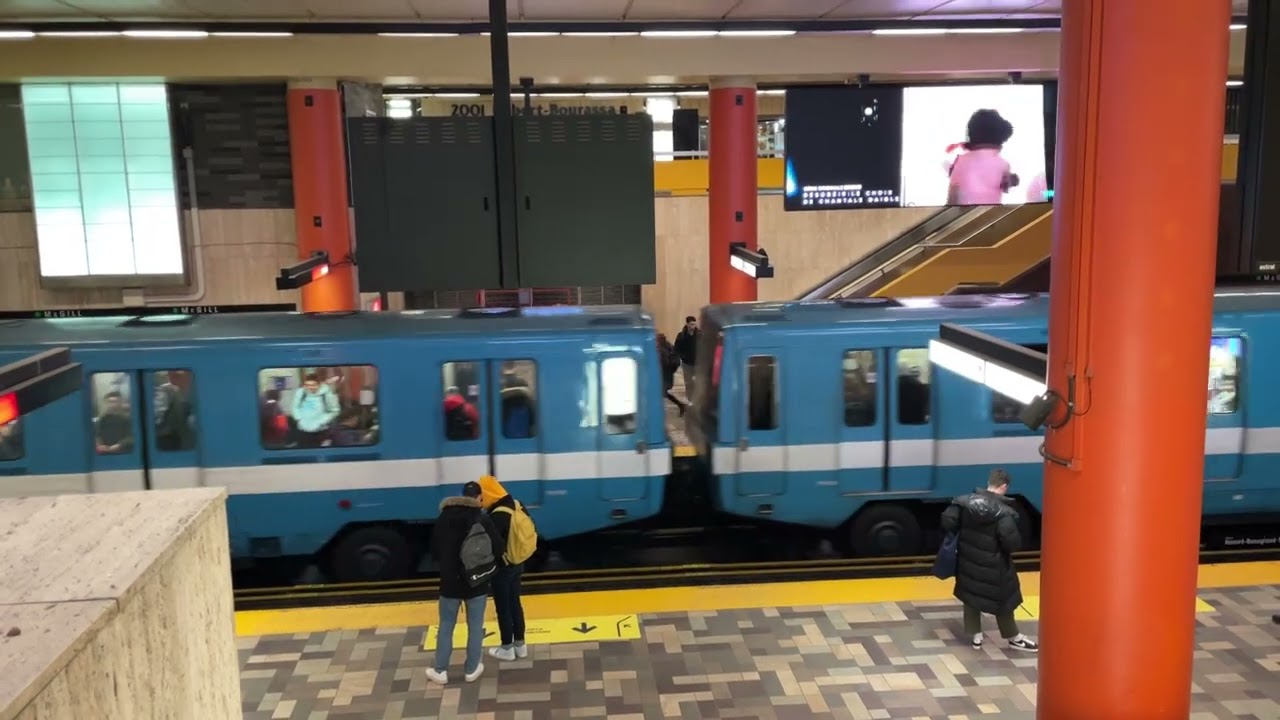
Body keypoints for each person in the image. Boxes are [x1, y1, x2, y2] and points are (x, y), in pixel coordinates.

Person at [940, 468, 1038, 652]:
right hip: (995, 565)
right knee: (1005, 598)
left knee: (970, 593)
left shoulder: (964, 502)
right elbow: (1012, 543)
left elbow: (948, 522)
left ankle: (976, 636)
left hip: (968, 559)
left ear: (989, 482)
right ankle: (1012, 636)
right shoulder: (1004, 513)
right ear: (1004, 486)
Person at [426, 481, 502, 685]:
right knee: (475, 625)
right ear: (479, 498)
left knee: (446, 626)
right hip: (476, 582)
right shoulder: (482, 519)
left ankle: (440, 670)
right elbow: (498, 547)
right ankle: (472, 668)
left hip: (449, 583)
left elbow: (433, 550)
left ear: (461, 496)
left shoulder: (443, 518)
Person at [477, 474, 535, 662]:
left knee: (503, 607)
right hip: (518, 562)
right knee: (515, 603)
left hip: (503, 567)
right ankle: (520, 646)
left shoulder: (498, 515)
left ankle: (507, 648)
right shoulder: (517, 504)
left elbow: (494, 545)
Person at [945, 109, 1019, 206]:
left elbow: (952, 200)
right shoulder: (1004, 165)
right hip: (991, 216)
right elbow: (1007, 186)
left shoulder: (961, 161)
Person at [291, 373, 339, 448]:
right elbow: (295, 407)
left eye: (313, 385)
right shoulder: (301, 392)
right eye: (307, 385)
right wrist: (299, 419)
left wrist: (321, 422)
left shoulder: (326, 393)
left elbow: (334, 410)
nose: (310, 387)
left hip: (321, 432)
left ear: (319, 384)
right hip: (303, 431)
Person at [656, 333, 687, 415]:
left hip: (664, 375)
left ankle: (681, 405)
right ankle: (681, 405)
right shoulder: (668, 347)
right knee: (662, 393)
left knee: (660, 393)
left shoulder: (662, 349)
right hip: (667, 375)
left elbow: (664, 362)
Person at [672, 315, 699, 399]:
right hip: (686, 362)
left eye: (694, 324)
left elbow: (703, 347)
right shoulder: (681, 335)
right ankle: (690, 397)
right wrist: (681, 357)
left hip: (697, 362)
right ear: (687, 324)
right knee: (688, 381)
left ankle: (697, 397)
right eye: (691, 324)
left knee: (697, 381)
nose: (693, 326)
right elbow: (676, 348)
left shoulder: (699, 335)